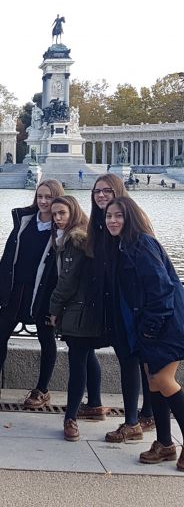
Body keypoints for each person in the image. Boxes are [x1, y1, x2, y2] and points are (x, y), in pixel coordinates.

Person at [105, 197, 184, 471]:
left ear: (131, 218)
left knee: (163, 380)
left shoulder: (142, 244)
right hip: (151, 324)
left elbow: (161, 288)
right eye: (109, 216)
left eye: (119, 216)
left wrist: (151, 328)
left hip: (165, 324)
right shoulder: (125, 245)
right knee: (153, 383)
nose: (112, 220)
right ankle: (164, 444)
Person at [0, 179, 64, 407]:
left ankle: (42, 389)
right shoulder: (25, 220)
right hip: (17, 289)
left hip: (43, 293)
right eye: (40, 196)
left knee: (46, 339)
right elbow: (9, 253)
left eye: (49, 197)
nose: (43, 201)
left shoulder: (62, 228)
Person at [86, 174, 154, 441]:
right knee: (130, 360)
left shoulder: (133, 227)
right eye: (97, 191)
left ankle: (138, 419)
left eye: (107, 190)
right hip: (114, 302)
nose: (101, 195)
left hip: (133, 305)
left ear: (118, 192)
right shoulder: (99, 225)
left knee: (138, 361)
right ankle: (140, 417)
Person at [48, 196, 106, 442]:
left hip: (77, 310)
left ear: (74, 212)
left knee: (77, 362)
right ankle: (95, 404)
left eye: (62, 213)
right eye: (54, 215)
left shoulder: (74, 239)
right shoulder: (83, 236)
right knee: (87, 355)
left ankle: (70, 418)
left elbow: (67, 280)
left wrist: (54, 308)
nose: (57, 218)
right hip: (89, 308)